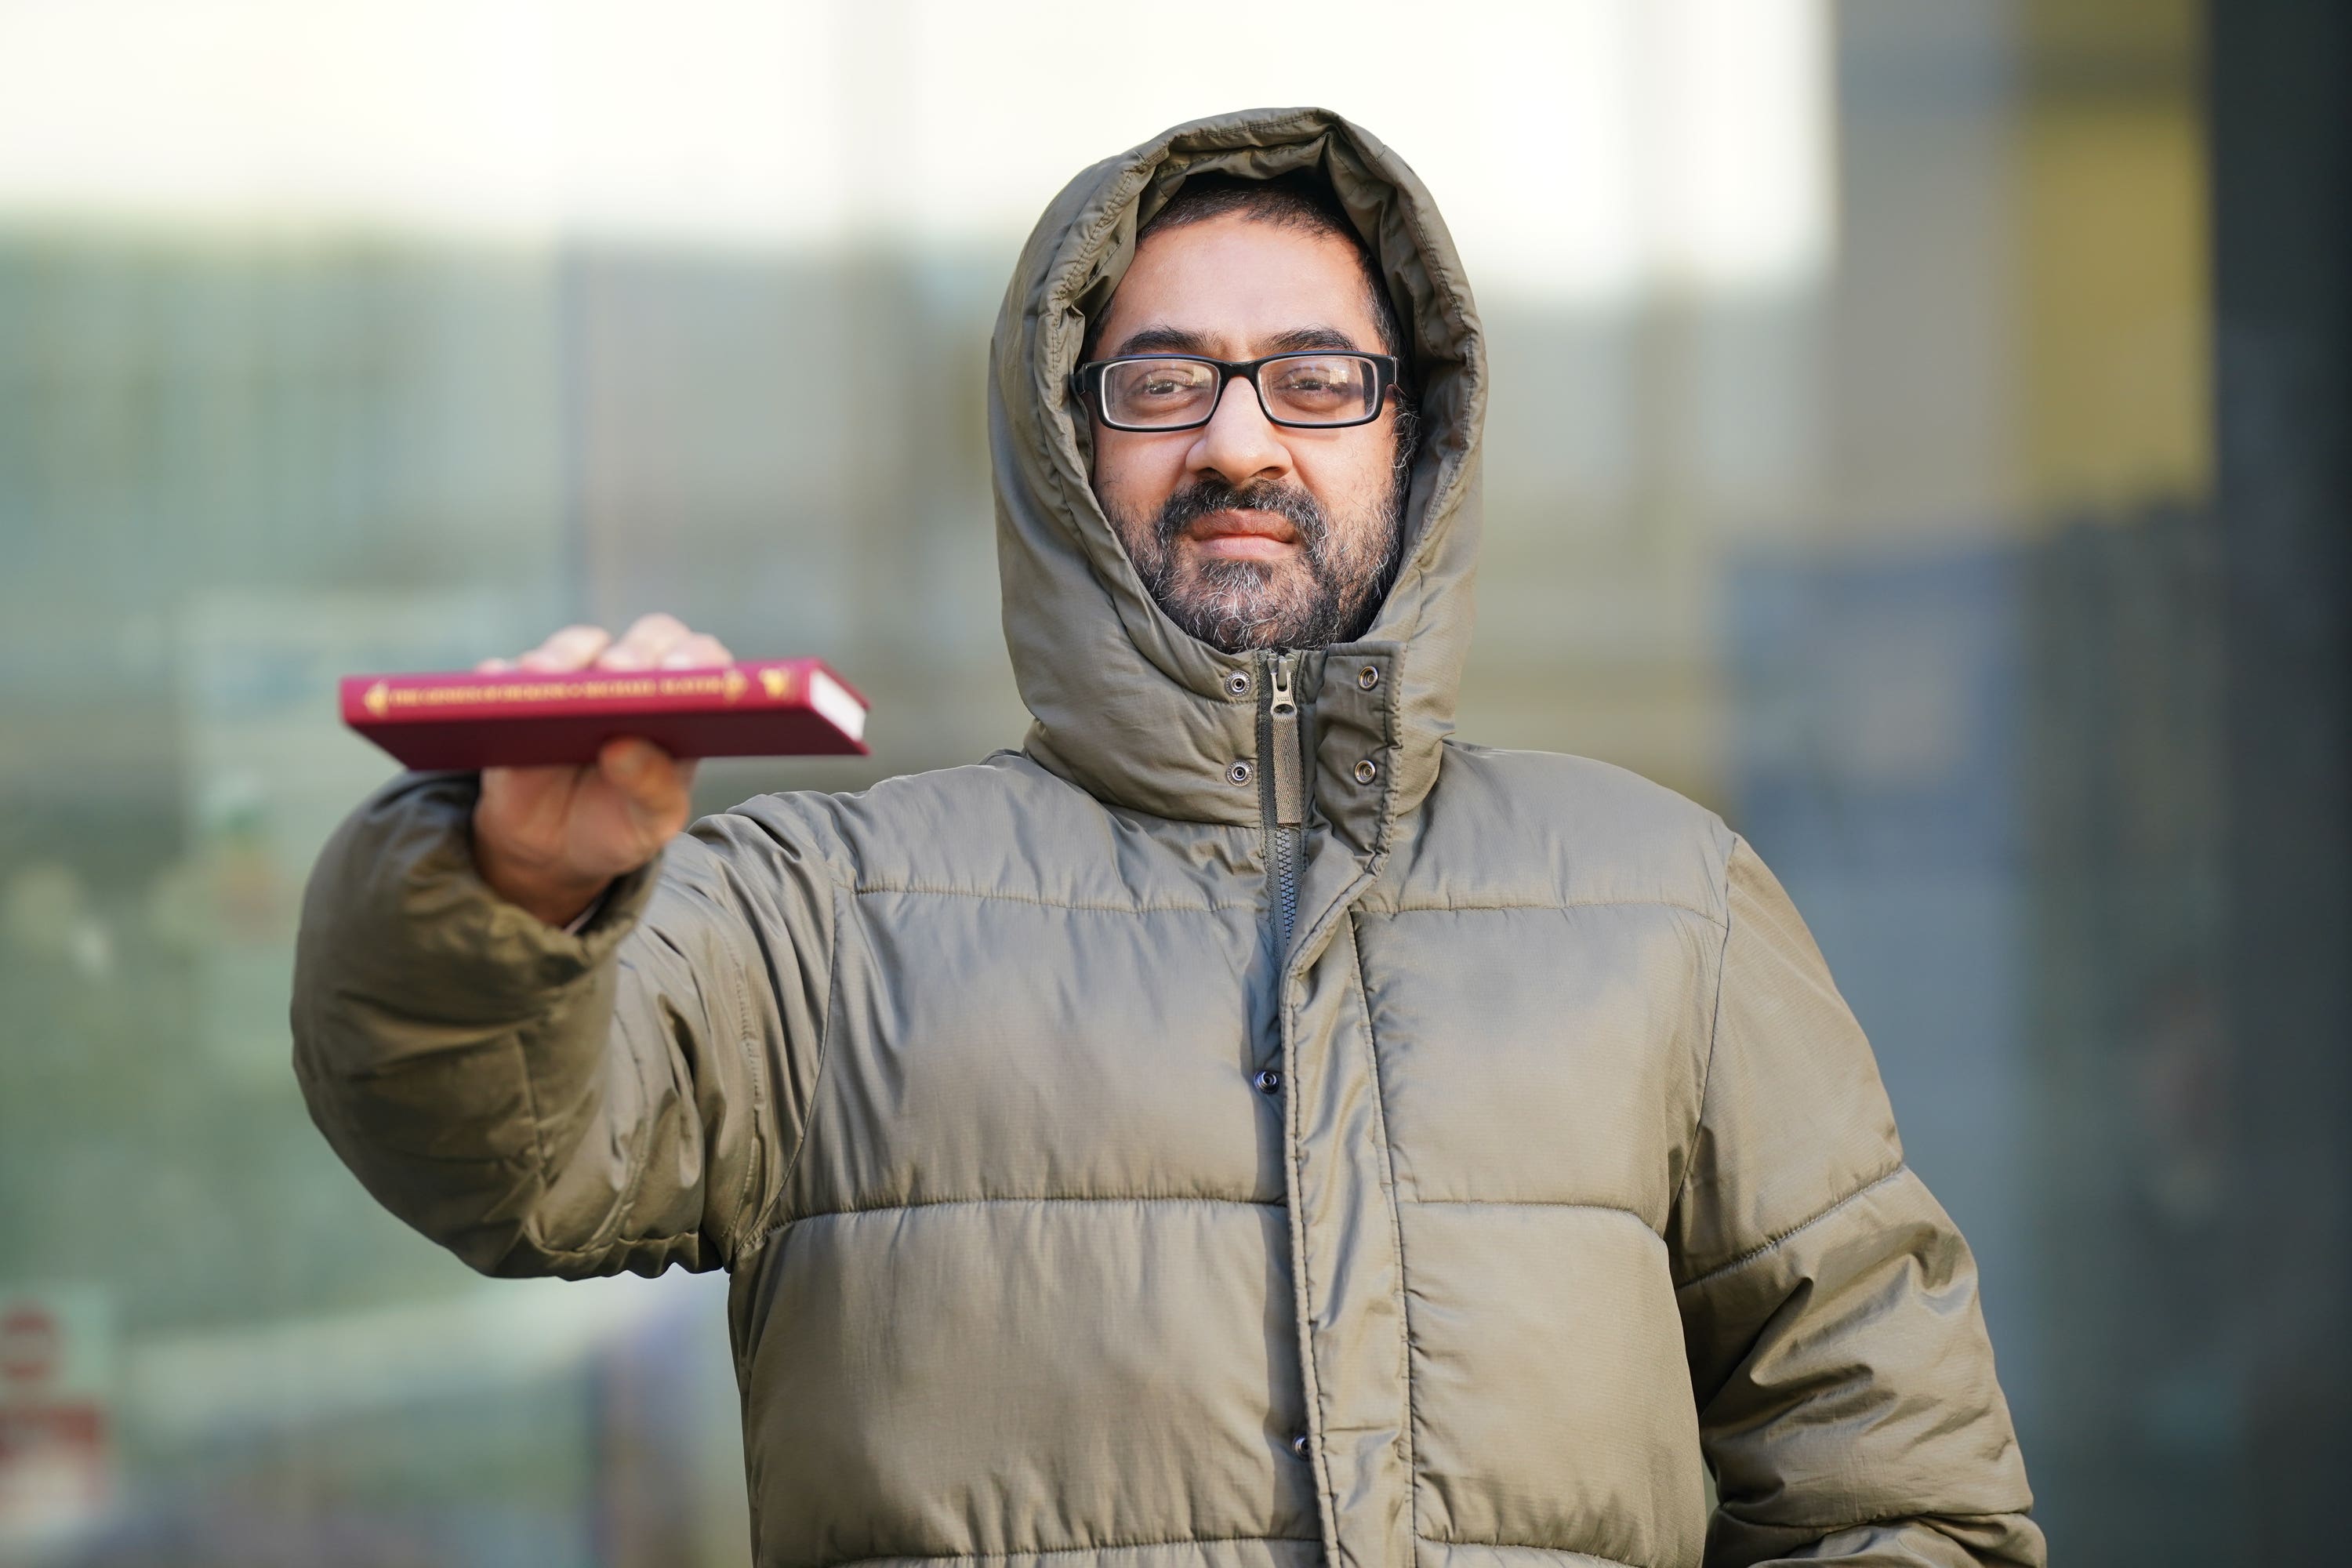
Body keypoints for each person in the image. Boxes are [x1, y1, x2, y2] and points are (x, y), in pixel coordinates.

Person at [291, 107, 2044, 1568]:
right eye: (1161, 383)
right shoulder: (820, 922)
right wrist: (516, 881)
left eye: (1312, 378)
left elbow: (1899, 1479)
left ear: (1412, 437)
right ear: (1068, 449)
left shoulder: (1674, 906)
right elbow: (499, 1151)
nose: (1235, 439)